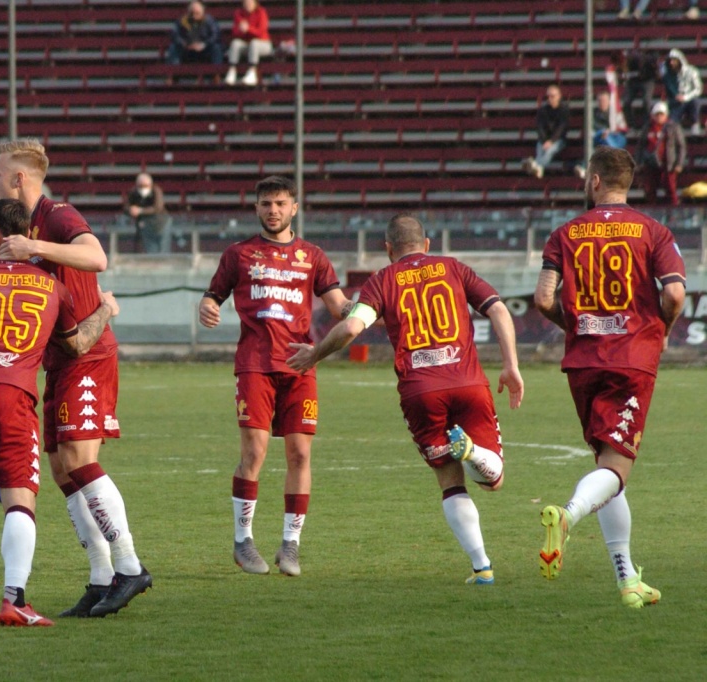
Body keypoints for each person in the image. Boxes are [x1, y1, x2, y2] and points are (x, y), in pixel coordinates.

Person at [0, 138, 151, 618]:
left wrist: (35, 246)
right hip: (57, 359)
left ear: (19, 178)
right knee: (62, 469)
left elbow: (97, 257)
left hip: (88, 356)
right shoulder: (18, 230)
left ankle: (130, 566)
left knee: (77, 458)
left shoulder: (58, 214)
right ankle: (100, 576)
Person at [287, 214, 524, 586]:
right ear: (426, 244)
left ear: (387, 249)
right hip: (467, 382)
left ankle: (482, 567)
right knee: (493, 482)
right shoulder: (454, 268)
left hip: (420, 391)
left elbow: (351, 326)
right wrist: (510, 365)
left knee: (450, 481)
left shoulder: (383, 280)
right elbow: (497, 308)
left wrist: (314, 354)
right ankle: (474, 452)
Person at [0, 199, 120, 627]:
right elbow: (77, 344)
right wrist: (106, 310)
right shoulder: (51, 286)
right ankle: (15, 599)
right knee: (19, 498)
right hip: (11, 392)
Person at [533, 146, 685, 609]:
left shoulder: (565, 233)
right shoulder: (654, 231)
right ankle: (568, 515)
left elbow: (543, 298)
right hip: (631, 358)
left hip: (584, 362)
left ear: (595, 181)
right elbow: (675, 294)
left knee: (607, 463)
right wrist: (661, 331)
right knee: (616, 468)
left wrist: (575, 326)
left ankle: (627, 578)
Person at [198, 176, 350, 577]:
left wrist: (370, 308)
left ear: (294, 207)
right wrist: (207, 306)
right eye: (266, 203)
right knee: (255, 453)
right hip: (255, 364)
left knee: (300, 454)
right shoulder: (239, 254)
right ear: (257, 208)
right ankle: (243, 541)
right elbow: (213, 295)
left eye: (281, 203)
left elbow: (339, 306)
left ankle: (290, 546)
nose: (273, 210)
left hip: (301, 364)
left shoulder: (313, 256)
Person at [635, 101, 686, 206]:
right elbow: (640, 146)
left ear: (666, 115)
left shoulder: (673, 127)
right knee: (650, 191)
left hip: (668, 164)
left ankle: (674, 213)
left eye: (661, 114)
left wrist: (679, 164)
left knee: (671, 190)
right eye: (657, 114)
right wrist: (638, 163)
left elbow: (681, 146)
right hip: (650, 164)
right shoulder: (647, 127)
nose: (659, 117)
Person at [575, 92, 628, 180]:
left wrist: (609, 133)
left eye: (604, 100)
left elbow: (622, 130)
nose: (602, 102)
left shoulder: (616, 114)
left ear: (609, 102)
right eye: (600, 100)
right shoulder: (592, 114)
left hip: (613, 140)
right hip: (598, 139)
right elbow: (590, 130)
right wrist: (602, 133)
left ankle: (584, 168)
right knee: (597, 138)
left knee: (601, 146)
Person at [523, 84, 570, 179]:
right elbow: (539, 127)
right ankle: (539, 169)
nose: (550, 98)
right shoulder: (543, 110)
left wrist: (551, 141)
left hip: (559, 140)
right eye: (548, 96)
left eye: (552, 96)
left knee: (549, 151)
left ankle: (535, 165)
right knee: (540, 151)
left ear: (559, 96)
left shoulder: (564, 110)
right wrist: (545, 141)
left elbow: (561, 128)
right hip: (544, 140)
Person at [225, 0, 272, 87]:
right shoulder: (238, 13)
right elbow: (234, 32)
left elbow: (261, 31)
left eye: (250, 3)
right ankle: (232, 70)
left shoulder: (261, 12)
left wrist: (248, 29)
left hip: (263, 43)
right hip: (246, 43)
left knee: (254, 43)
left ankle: (252, 71)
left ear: (255, 3)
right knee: (235, 43)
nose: (248, 5)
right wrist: (241, 30)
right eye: (246, 3)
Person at [165, 1, 223, 66]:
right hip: (187, 49)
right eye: (192, 13)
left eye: (197, 13)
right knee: (173, 48)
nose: (194, 16)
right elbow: (175, 34)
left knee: (216, 48)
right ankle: (173, 73)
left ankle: (216, 73)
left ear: (202, 12)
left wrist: (204, 44)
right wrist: (184, 43)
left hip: (204, 50)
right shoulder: (183, 20)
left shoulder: (209, 21)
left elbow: (215, 35)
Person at [125, 173, 172, 253]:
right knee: (151, 251)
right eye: (141, 186)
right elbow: (126, 207)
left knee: (164, 250)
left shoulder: (156, 191)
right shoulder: (134, 193)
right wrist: (131, 210)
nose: (143, 188)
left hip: (162, 223)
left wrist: (140, 211)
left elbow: (158, 207)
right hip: (146, 226)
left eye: (145, 185)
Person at [662, 49, 704, 131]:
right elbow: (670, 90)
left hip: (690, 99)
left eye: (674, 60)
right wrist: (677, 97)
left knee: (695, 102)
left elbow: (698, 89)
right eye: (670, 61)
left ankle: (695, 123)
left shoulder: (692, 71)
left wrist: (685, 97)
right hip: (676, 102)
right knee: (671, 122)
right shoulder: (668, 75)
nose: (671, 63)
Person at [620, 48, 660, 131]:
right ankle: (630, 125)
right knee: (626, 102)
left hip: (647, 80)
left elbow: (654, 69)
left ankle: (647, 124)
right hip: (633, 81)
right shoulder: (626, 62)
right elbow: (623, 73)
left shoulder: (644, 60)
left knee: (646, 101)